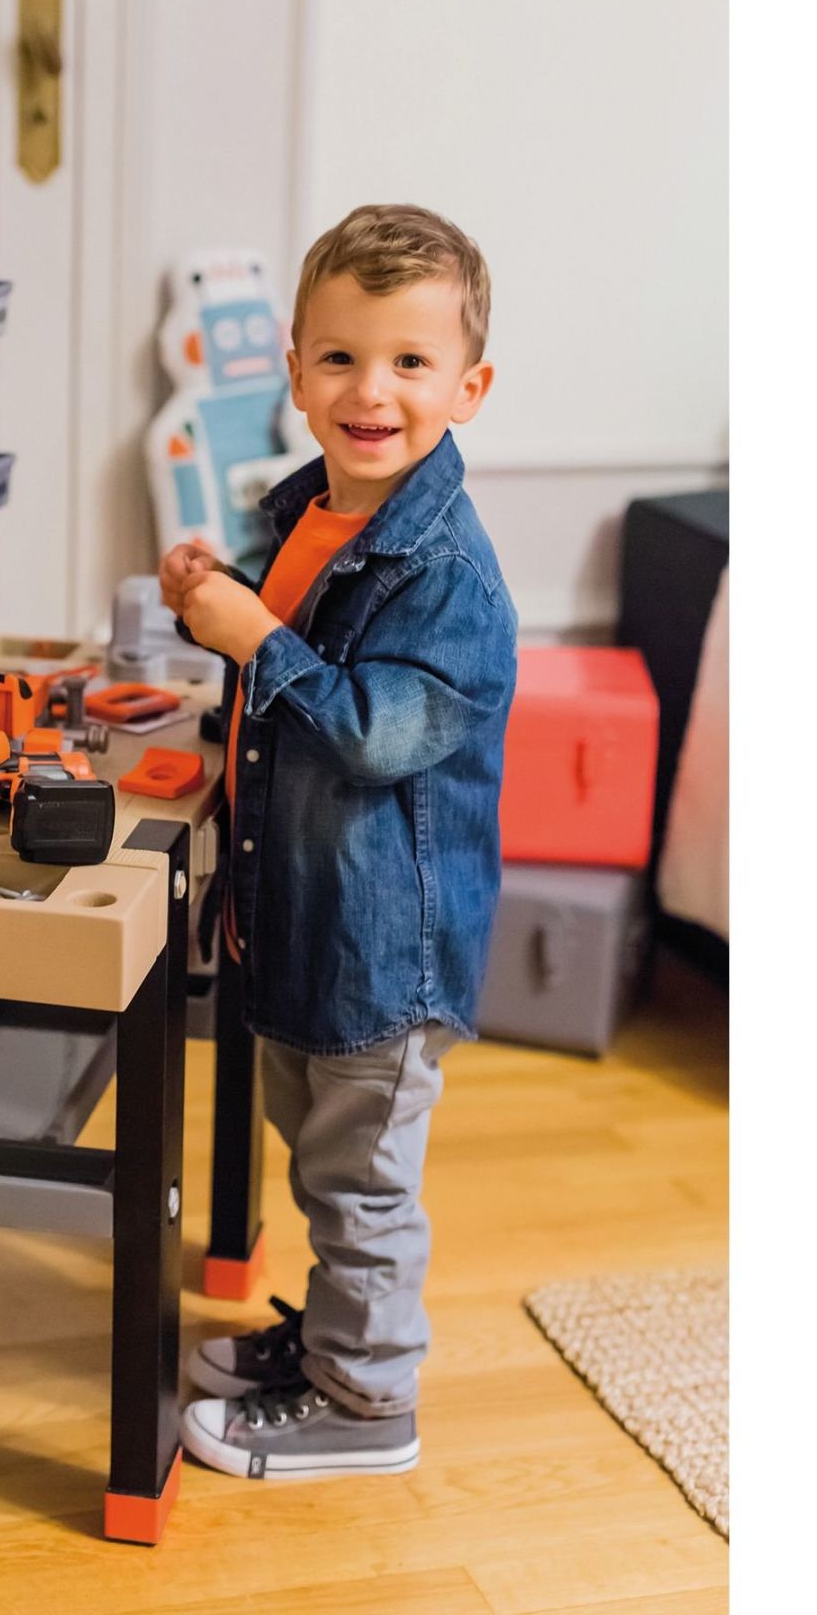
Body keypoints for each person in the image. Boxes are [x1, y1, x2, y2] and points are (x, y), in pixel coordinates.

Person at [163, 203, 517, 1482]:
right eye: (341, 358)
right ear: (297, 373)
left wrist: (251, 635)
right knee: (321, 1159)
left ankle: (367, 1403)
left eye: (411, 362)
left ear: (468, 388)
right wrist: (219, 613)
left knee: (363, 1181)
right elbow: (283, 677)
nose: (372, 391)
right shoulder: (317, 513)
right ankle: (329, 1343)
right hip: (305, 919)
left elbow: (372, 733)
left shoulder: (449, 576)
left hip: (384, 950)